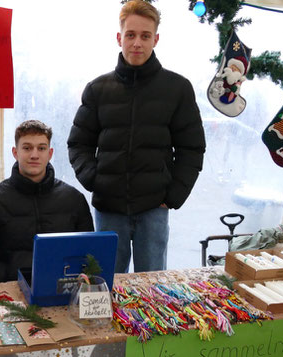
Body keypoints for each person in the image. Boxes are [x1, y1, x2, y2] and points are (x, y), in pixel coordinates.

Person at [67, 0, 205, 273]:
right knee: (105, 285)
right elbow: (78, 143)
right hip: (109, 209)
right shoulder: (97, 89)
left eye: (145, 36)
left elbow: (192, 148)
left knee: (152, 288)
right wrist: (95, 180)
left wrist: (173, 195)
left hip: (154, 208)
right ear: (119, 38)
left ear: (156, 39)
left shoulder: (177, 88)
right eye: (130, 35)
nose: (137, 43)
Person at [0, 120, 94, 282]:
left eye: (41, 148)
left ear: (50, 153)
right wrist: (15, 276)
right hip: (9, 294)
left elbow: (89, 252)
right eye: (27, 148)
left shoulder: (74, 200)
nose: (34, 155)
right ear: (15, 152)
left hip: (64, 290)